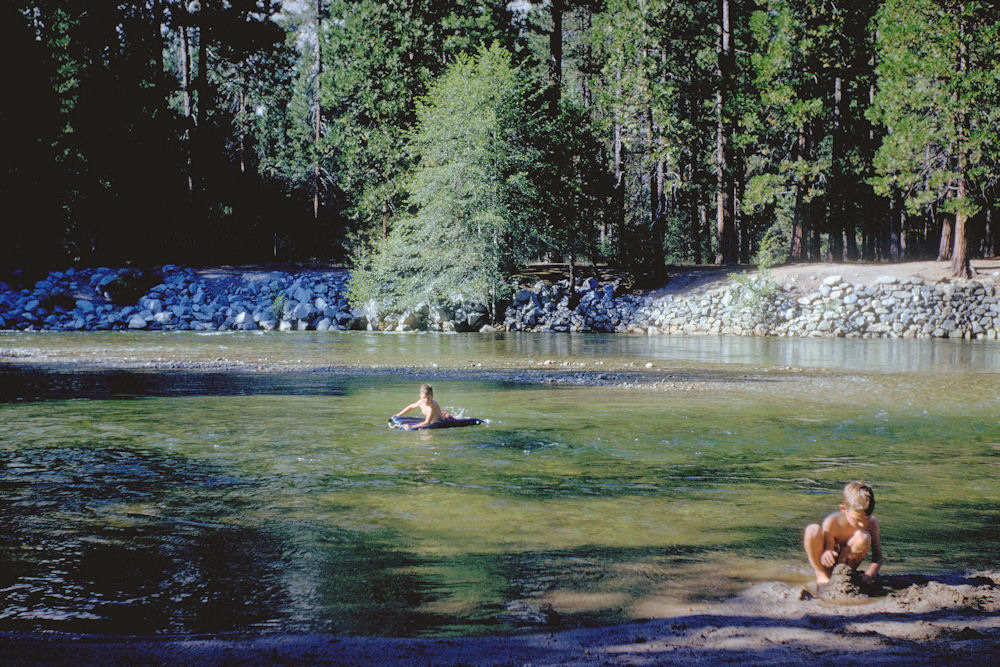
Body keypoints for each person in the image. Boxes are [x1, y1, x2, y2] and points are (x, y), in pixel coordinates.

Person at [803, 481, 883, 585]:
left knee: (863, 536)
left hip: (846, 565)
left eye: (866, 519)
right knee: (812, 530)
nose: (862, 524)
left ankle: (842, 575)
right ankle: (820, 574)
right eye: (857, 520)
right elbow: (828, 547)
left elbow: (878, 557)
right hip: (827, 565)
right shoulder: (833, 521)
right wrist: (827, 552)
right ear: (843, 509)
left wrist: (869, 574)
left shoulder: (872, 524)